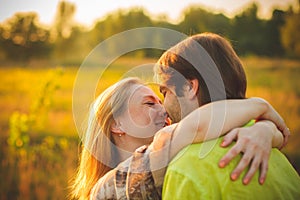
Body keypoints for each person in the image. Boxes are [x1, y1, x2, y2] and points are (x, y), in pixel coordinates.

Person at [70, 76, 287, 199]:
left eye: (161, 99)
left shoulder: (174, 158)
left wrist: (264, 131)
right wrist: (261, 106)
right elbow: (196, 126)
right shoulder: (106, 191)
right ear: (116, 124)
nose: (164, 108)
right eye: (149, 103)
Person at [156, 32, 300, 199]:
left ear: (189, 87)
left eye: (165, 92)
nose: (163, 106)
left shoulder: (185, 168)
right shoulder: (277, 157)